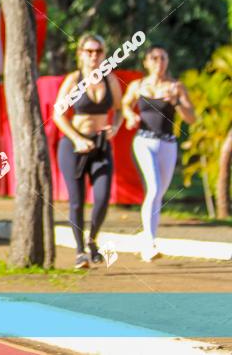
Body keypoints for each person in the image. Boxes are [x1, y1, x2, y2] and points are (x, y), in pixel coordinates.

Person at [53, 34, 123, 269]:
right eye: (89, 51)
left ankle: (92, 241)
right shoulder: (74, 80)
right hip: (73, 147)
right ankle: (80, 252)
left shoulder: (110, 80)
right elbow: (58, 114)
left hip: (101, 146)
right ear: (80, 54)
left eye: (99, 51)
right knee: (77, 201)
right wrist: (77, 139)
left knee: (102, 199)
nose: (94, 56)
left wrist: (115, 126)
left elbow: (120, 110)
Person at [121, 45, 196, 261]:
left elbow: (191, 118)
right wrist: (129, 116)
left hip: (168, 143)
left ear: (167, 62)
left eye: (163, 58)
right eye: (154, 58)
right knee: (153, 189)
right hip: (144, 141)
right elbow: (125, 105)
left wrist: (178, 103)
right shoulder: (138, 86)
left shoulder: (176, 87)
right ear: (146, 62)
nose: (158, 62)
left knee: (158, 194)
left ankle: (145, 237)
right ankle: (150, 244)